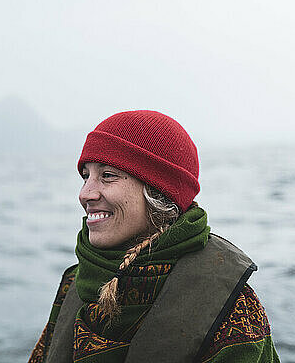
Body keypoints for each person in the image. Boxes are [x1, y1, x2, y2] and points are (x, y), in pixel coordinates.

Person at [28, 111, 280, 363]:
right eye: (86, 176)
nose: (85, 193)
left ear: (158, 192)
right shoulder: (75, 282)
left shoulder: (233, 307)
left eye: (107, 175)